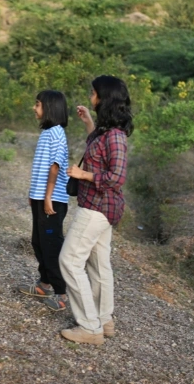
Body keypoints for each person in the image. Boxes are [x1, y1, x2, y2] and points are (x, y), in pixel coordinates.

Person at [60, 75, 133, 345]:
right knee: (99, 265)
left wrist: (83, 175)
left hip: (98, 207)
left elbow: (116, 177)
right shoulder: (106, 132)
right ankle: (104, 319)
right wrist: (89, 121)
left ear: (104, 99)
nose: (90, 96)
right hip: (101, 208)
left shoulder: (116, 137)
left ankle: (90, 327)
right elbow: (98, 152)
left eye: (93, 94)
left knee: (69, 260)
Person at [19, 90, 70, 311]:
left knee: (51, 245)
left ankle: (62, 294)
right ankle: (43, 284)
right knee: (38, 242)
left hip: (52, 200)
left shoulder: (57, 133)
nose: (34, 108)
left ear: (49, 108)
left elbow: (55, 167)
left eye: (37, 104)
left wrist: (47, 197)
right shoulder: (47, 133)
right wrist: (34, 195)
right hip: (41, 198)